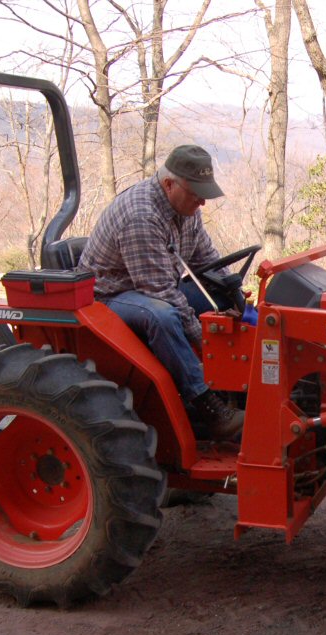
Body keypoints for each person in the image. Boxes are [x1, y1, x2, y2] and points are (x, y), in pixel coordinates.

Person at [78, 144, 243, 439]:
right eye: (197, 194)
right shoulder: (141, 216)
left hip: (154, 285)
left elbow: (206, 261)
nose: (203, 202)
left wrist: (235, 298)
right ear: (169, 184)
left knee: (217, 295)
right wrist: (207, 343)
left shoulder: (186, 208)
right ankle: (206, 404)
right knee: (164, 317)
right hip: (112, 295)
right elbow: (161, 292)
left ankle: (235, 387)